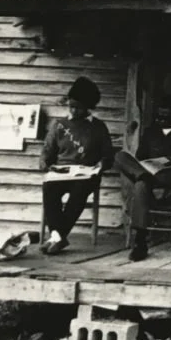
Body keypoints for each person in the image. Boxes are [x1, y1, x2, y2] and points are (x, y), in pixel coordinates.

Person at [114, 95, 171, 262]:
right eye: (158, 116)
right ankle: (140, 241)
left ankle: (139, 238)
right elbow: (140, 157)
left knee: (141, 182)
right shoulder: (150, 132)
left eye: (165, 117)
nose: (161, 120)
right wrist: (148, 166)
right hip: (149, 173)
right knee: (121, 158)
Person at [40, 76, 114, 255]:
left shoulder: (98, 127)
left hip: (87, 174)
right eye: (71, 106)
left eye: (78, 107)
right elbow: (47, 151)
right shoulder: (59, 125)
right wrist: (45, 163)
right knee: (49, 188)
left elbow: (108, 155)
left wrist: (100, 166)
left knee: (78, 192)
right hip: (61, 173)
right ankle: (58, 237)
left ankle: (56, 236)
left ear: (88, 107)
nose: (74, 110)